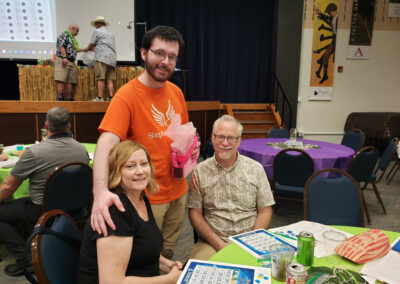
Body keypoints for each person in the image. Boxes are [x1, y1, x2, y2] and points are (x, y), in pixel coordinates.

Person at [91, 25, 195, 260]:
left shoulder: (176, 92)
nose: (165, 61)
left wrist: (190, 152)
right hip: (147, 197)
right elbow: (105, 142)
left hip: (179, 191)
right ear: (144, 53)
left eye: (172, 57)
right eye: (159, 53)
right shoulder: (127, 95)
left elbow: (182, 136)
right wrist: (99, 193)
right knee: (144, 258)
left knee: (167, 252)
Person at [0, 107, 89, 276]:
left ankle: (27, 258)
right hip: (77, 208)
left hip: (43, 210)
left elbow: (8, 187)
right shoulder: (81, 149)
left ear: (46, 126)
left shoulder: (34, 152)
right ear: (69, 126)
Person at [78, 141, 182, 283]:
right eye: (130, 166)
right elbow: (112, 282)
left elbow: (140, 248)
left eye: (144, 164)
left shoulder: (139, 196)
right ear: (116, 171)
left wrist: (165, 264)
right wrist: (169, 279)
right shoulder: (115, 212)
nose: (140, 171)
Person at [188, 115, 275, 260]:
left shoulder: (255, 169)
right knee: (201, 272)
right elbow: (195, 214)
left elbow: (265, 210)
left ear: (239, 140)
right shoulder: (200, 171)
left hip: (253, 238)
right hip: (213, 241)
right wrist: (219, 245)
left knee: (276, 268)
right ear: (212, 137)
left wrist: (251, 242)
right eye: (220, 137)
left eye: (231, 138)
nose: (225, 143)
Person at [84, 16, 117, 102]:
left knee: (101, 78)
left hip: (102, 57)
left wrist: (86, 49)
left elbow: (91, 44)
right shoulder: (111, 33)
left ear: (98, 24)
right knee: (110, 79)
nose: (95, 26)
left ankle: (100, 98)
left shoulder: (97, 31)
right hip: (112, 59)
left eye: (95, 24)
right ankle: (111, 97)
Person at [55, 23, 86, 101]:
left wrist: (86, 49)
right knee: (61, 79)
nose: (77, 33)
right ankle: (59, 97)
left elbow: (75, 49)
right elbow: (61, 46)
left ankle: (69, 98)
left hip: (71, 61)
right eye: (77, 31)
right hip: (63, 59)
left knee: (70, 81)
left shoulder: (72, 38)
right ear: (73, 28)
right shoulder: (64, 35)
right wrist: (64, 57)